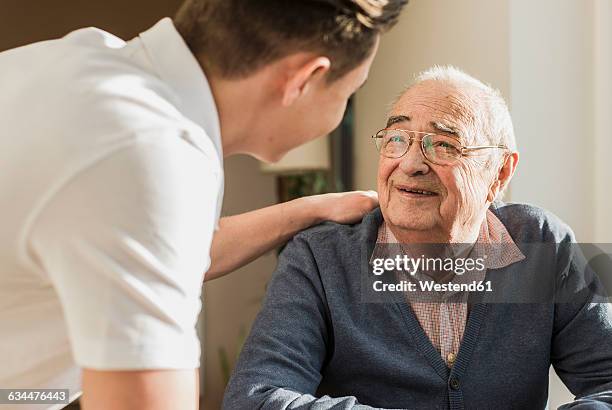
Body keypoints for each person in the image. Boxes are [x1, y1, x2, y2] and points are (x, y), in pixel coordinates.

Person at [0, 0, 409, 409]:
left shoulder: (82, 62)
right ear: (305, 79)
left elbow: (154, 252)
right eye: (349, 93)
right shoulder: (150, 157)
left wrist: (309, 209)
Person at [222, 66, 612, 409]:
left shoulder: (542, 243)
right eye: (397, 139)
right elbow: (257, 398)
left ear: (500, 173)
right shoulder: (320, 257)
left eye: (443, 144)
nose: (409, 164)